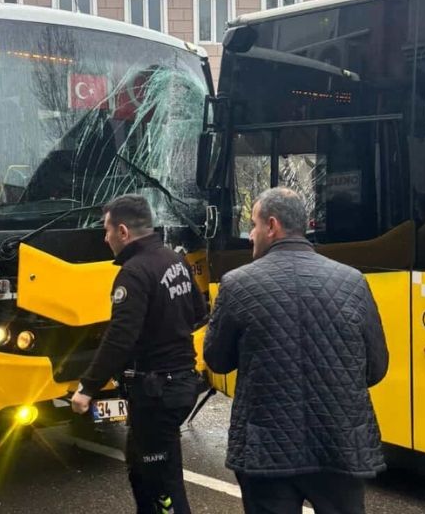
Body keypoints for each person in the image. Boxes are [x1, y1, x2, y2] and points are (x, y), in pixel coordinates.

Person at [204, 187, 389, 514]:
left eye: (253, 225)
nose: (250, 236)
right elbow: (376, 368)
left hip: (266, 450)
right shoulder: (352, 281)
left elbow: (217, 360)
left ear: (272, 226)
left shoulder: (237, 283)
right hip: (340, 446)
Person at [71, 194, 208, 514]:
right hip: (179, 383)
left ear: (123, 231)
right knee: (140, 468)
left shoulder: (133, 272)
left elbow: (120, 338)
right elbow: (198, 312)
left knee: (162, 483)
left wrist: (88, 387)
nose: (105, 239)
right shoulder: (175, 260)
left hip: (157, 391)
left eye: (106, 230)